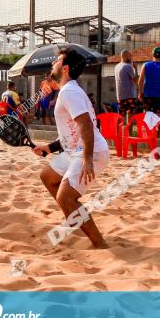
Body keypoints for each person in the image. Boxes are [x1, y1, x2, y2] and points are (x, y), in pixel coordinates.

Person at [31, 47, 111, 249]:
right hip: (76, 151)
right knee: (47, 176)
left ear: (65, 68)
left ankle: (100, 243)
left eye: (57, 61)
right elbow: (72, 131)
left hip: (90, 152)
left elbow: (86, 125)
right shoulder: (68, 90)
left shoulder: (70, 92)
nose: (53, 64)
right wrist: (49, 147)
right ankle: (75, 216)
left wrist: (88, 160)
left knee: (65, 197)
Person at [138, 47, 160, 134]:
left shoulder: (146, 65)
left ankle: (149, 134)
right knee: (159, 115)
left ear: (152, 54)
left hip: (148, 94)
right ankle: (158, 134)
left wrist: (140, 93)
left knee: (148, 114)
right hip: (159, 95)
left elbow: (140, 80)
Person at [115, 50, 139, 124]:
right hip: (129, 95)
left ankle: (117, 133)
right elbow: (135, 80)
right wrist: (135, 68)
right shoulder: (128, 66)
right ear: (126, 56)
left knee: (120, 115)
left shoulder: (117, 66)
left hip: (120, 95)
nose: (131, 58)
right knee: (130, 115)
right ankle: (129, 133)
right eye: (130, 56)